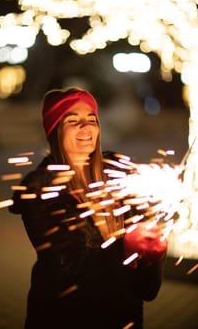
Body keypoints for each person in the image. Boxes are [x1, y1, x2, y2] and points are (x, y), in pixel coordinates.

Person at [9, 87, 168, 329]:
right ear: (54, 130)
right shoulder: (40, 189)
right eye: (73, 121)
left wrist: (149, 254)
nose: (86, 127)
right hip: (65, 318)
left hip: (124, 315)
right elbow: (64, 268)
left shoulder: (118, 172)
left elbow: (146, 288)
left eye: (92, 120)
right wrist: (125, 250)